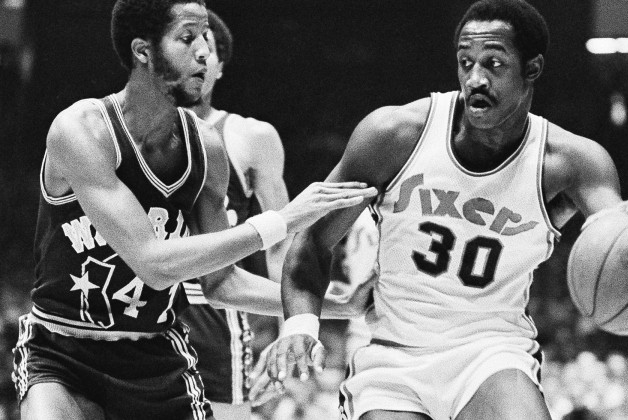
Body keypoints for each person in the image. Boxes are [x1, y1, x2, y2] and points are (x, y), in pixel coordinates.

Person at [265, 1, 628, 419]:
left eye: (493, 63)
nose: (475, 78)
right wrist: (300, 326)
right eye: (465, 62)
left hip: (491, 352)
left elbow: (613, 226)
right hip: (394, 356)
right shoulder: (394, 135)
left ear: (532, 69)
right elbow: (313, 241)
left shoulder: (570, 162)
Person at [11, 1, 376, 419]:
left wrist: (335, 302)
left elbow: (221, 285)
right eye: (187, 38)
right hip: (63, 351)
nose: (204, 50)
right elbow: (153, 262)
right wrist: (282, 220)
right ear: (143, 51)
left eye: (206, 37)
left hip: (154, 356)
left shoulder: (207, 149)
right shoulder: (81, 131)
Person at [181, 10, 289, 418]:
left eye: (204, 49)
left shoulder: (250, 136)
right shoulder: (120, 132)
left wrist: (289, 331)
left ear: (220, 64)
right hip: (137, 304)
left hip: (214, 312)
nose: (195, 58)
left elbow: (284, 245)